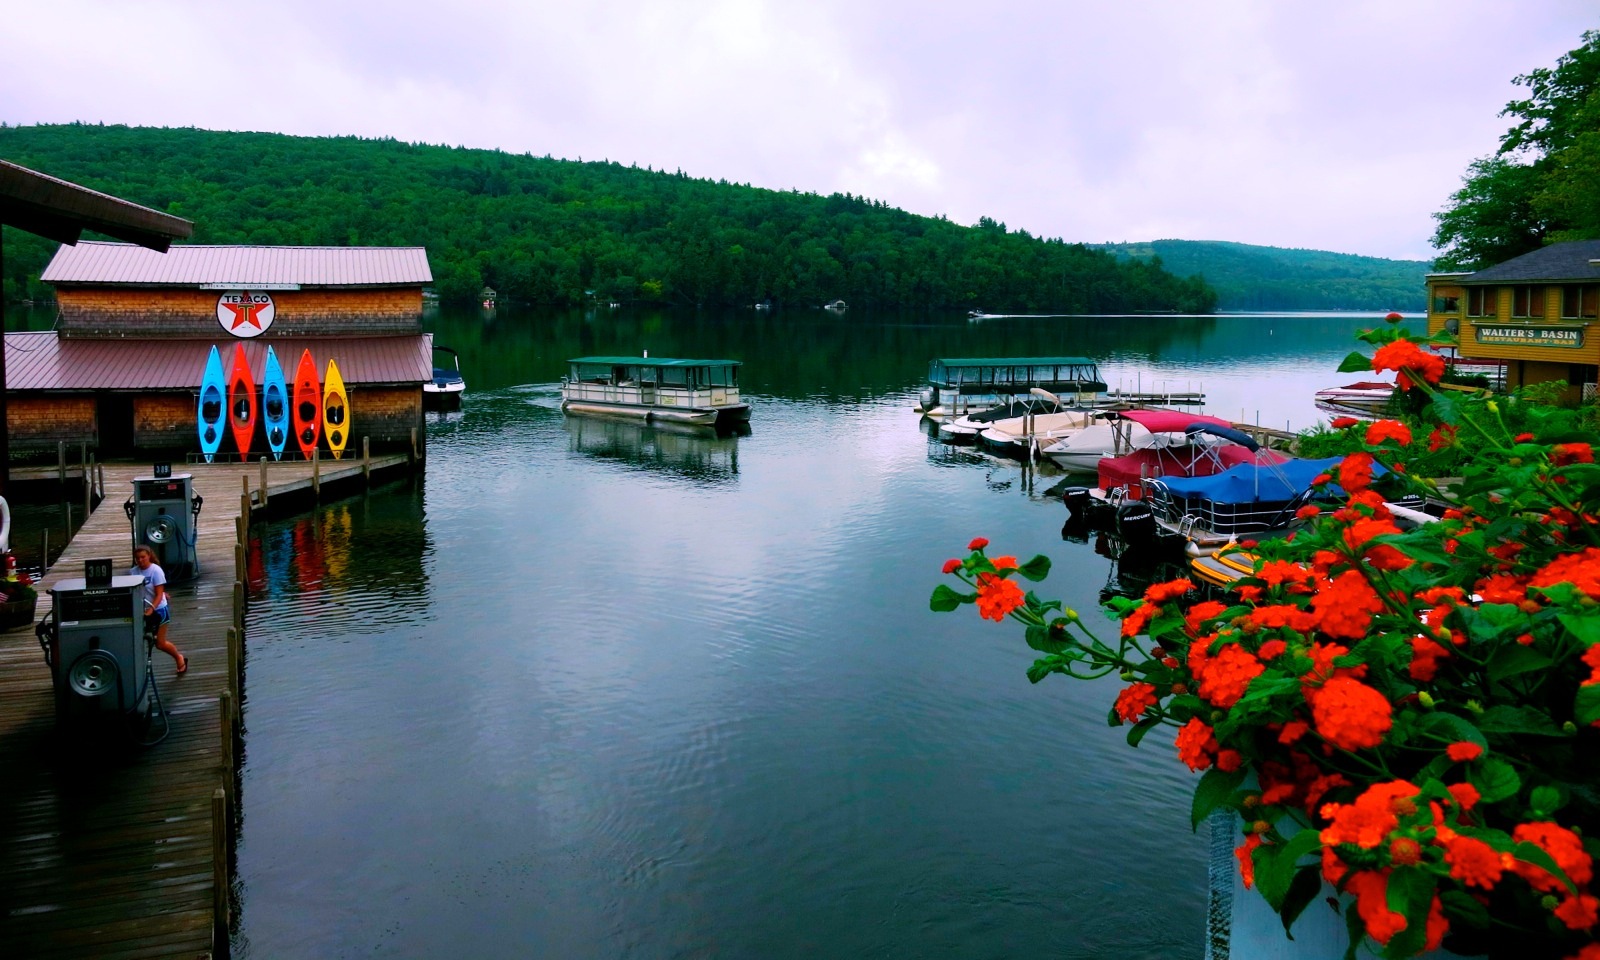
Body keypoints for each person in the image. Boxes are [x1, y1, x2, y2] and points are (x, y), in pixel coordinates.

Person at [131, 545, 185, 674]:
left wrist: (152, 608)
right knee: (137, 640)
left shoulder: (156, 571)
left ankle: (179, 657)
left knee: (159, 643)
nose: (140, 560)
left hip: (159, 609)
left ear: (149, 556)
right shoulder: (133, 572)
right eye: (137, 558)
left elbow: (159, 594)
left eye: (143, 557)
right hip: (141, 611)